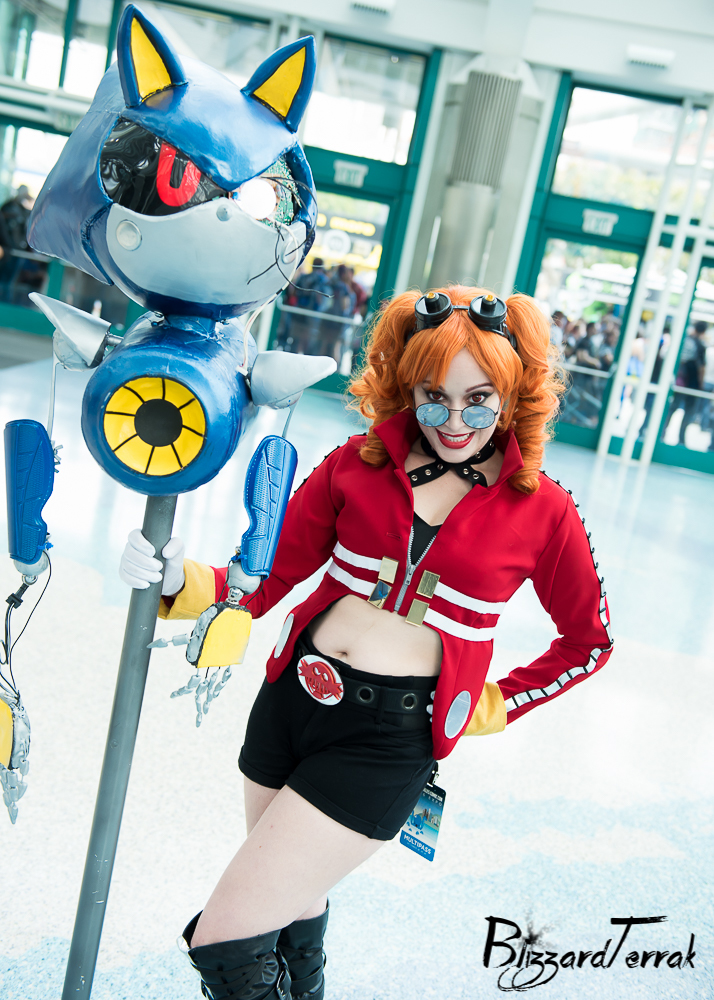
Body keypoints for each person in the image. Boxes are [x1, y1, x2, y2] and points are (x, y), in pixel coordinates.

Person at [120, 285, 613, 1000]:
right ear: (406, 387)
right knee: (292, 907)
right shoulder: (356, 462)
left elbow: (589, 641)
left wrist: (495, 703)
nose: (454, 421)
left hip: (389, 738)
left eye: (478, 401)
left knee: (225, 939)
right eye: (433, 397)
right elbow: (268, 572)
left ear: (514, 396)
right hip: (292, 700)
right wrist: (181, 580)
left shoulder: (545, 510)